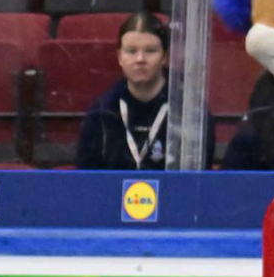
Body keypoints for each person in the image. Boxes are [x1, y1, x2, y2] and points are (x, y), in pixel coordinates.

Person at [76, 12, 214, 170]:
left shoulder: (190, 112)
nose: (140, 59)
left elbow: (198, 180)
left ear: (164, 57)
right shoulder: (102, 112)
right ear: (119, 57)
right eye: (131, 51)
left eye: (150, 50)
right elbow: (87, 180)